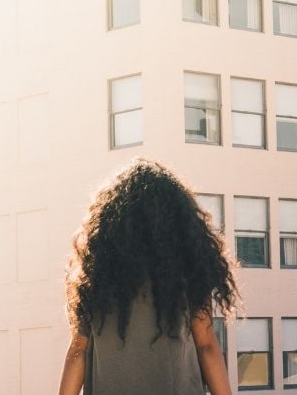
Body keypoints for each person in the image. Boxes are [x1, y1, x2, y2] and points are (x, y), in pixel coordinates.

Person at [58, 159, 238, 394]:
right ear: (176, 221)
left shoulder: (96, 278)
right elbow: (206, 346)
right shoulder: (187, 272)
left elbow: (78, 350)